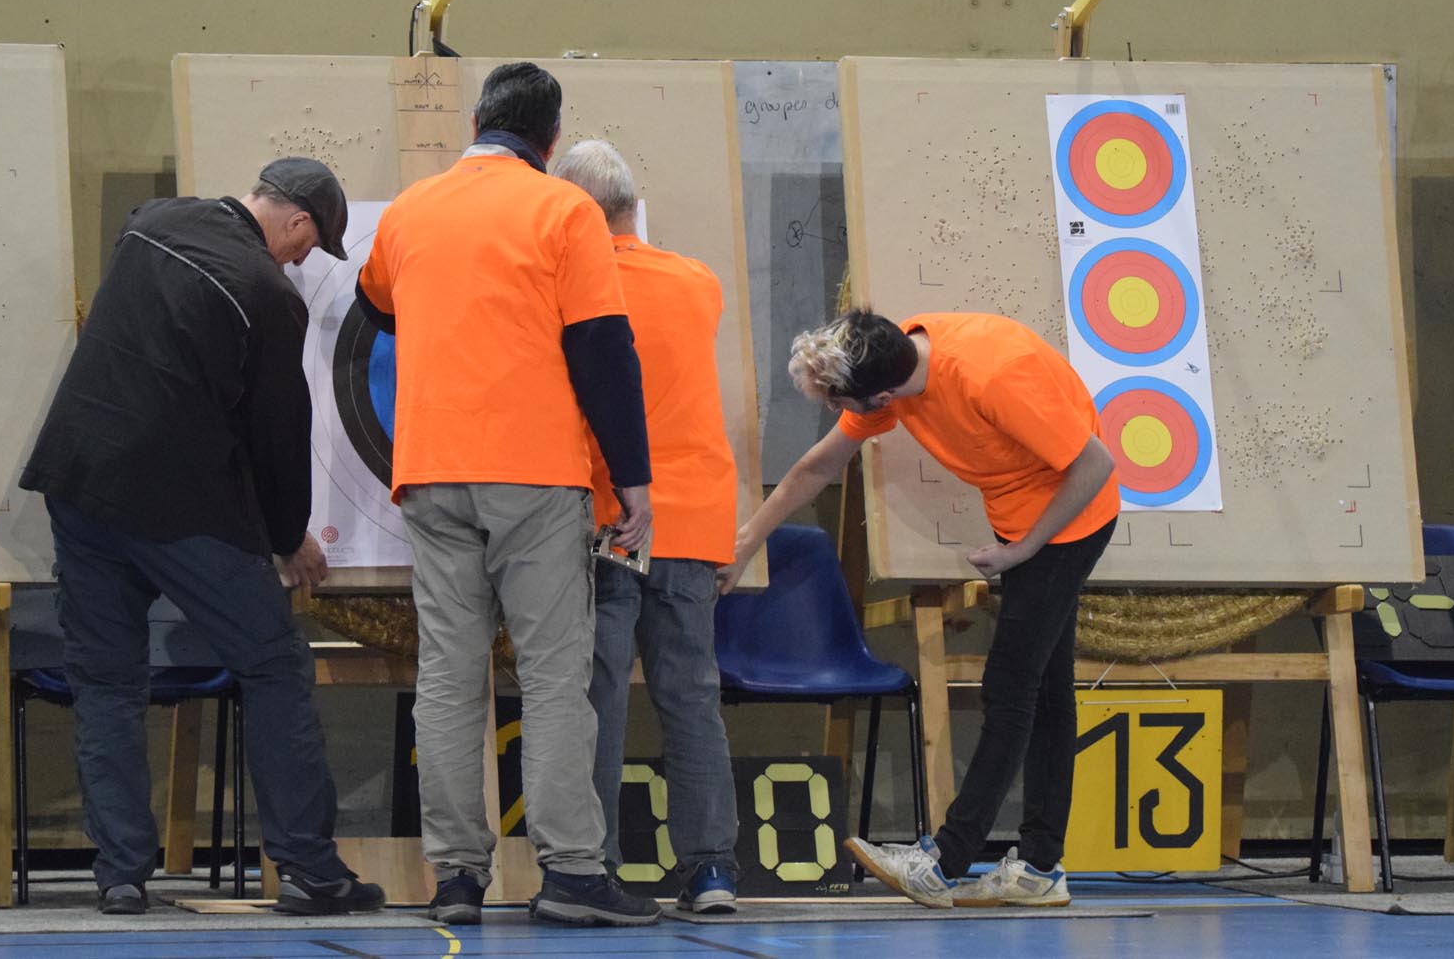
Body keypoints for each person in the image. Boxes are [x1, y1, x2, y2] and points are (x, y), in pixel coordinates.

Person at [20, 158, 385, 916]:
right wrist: (287, 535)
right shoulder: (267, 294)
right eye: (308, 247)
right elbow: (278, 432)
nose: (301, 263)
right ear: (297, 221)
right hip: (179, 506)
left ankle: (121, 875)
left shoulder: (150, 222)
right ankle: (310, 867)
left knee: (107, 681)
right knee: (274, 662)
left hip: (80, 483)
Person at [356, 64, 662, 927]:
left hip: (430, 469)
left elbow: (375, 304)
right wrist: (633, 479)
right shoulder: (565, 210)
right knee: (555, 674)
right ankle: (571, 872)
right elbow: (602, 348)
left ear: (477, 123)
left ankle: (457, 876)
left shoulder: (410, 209)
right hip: (534, 472)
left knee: (448, 675)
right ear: (551, 140)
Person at [718, 308, 1118, 909]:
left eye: (839, 403)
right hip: (1022, 522)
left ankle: (943, 862)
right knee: (1048, 691)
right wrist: (747, 542)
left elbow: (1095, 465)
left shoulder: (992, 375)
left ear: (880, 397)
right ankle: (1039, 868)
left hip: (1068, 523)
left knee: (1010, 688)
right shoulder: (894, 361)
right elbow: (821, 463)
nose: (836, 412)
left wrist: (1022, 550)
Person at [552, 140, 742, 915]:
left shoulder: (569, 288)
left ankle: (594, 864)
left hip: (611, 517)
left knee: (598, 695)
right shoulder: (699, 280)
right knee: (691, 694)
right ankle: (712, 869)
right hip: (695, 518)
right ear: (633, 205)